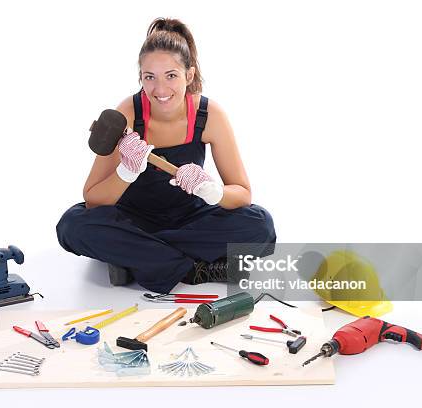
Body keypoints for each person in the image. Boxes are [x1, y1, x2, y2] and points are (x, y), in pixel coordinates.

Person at [56, 18, 276, 294]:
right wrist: (126, 172)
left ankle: (136, 258)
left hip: (191, 218)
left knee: (260, 225)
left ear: (190, 75)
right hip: (133, 218)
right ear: (140, 77)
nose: (160, 89)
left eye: (171, 75)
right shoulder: (127, 113)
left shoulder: (210, 116)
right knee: (71, 226)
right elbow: (93, 199)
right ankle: (195, 268)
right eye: (150, 77)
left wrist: (213, 191)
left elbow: (242, 194)